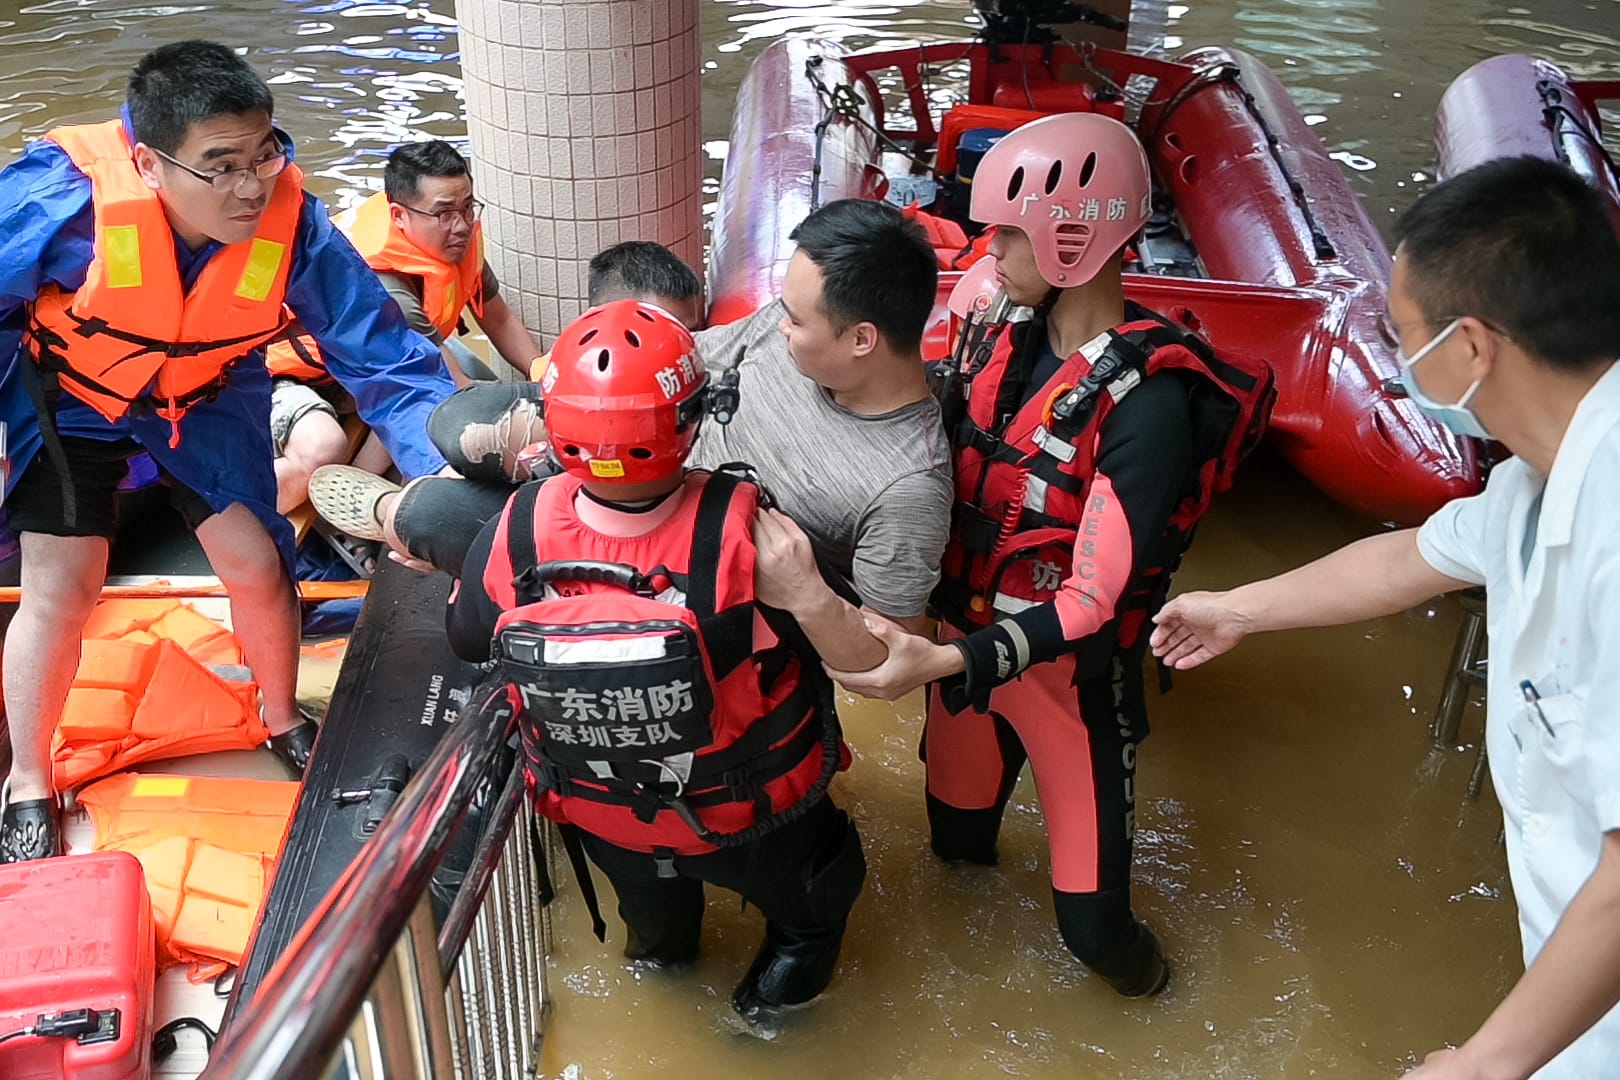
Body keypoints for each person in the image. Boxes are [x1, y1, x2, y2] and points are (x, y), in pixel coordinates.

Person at [1150, 156, 1620, 1079]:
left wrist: (1486, 1062)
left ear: (1473, 347)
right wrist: (1237, 607)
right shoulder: (1537, 477)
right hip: (1578, 988)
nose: (1399, 363)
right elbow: (1412, 558)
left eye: (1404, 335)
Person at [824, 114, 1272, 997]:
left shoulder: (1150, 404)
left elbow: (1095, 600)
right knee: (954, 854)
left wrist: (945, 657)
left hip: (1067, 687)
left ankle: (1163, 1007)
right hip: (965, 664)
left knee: (1096, 935)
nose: (991, 250)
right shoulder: (999, 329)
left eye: (1008, 232)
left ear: (1078, 238)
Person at [0, 40, 455, 863]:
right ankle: (29, 777)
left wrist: (447, 473)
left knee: (259, 563)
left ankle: (280, 718)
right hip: (78, 399)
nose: (252, 186)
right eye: (222, 165)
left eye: (265, 153)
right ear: (148, 163)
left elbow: (383, 357)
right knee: (60, 586)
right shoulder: (54, 200)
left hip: (209, 398)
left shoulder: (296, 225)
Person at [447, 300, 882, 1025]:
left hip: (607, 817)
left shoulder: (515, 531)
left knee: (659, 948)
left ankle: (664, 958)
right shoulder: (751, 534)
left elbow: (466, 638)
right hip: (753, 819)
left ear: (557, 427)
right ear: (692, 417)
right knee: (813, 916)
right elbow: (860, 662)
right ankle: (763, 1022)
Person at [309, 199, 953, 629]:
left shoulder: (904, 486)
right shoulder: (787, 336)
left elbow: (886, 653)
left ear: (861, 338)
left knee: (432, 515)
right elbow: (675, 358)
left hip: (682, 559)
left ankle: (393, 515)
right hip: (635, 454)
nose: (777, 324)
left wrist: (806, 597)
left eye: (795, 318)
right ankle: (458, 505)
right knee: (460, 420)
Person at [267, 139, 545, 516]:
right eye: (445, 213)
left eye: (467, 208)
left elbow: (499, 318)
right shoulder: (387, 286)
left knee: (426, 392)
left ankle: (371, 494)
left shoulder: (451, 246)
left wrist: (543, 375)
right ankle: (241, 508)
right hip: (296, 377)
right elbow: (447, 387)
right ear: (398, 215)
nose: (461, 225)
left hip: (368, 373)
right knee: (325, 447)